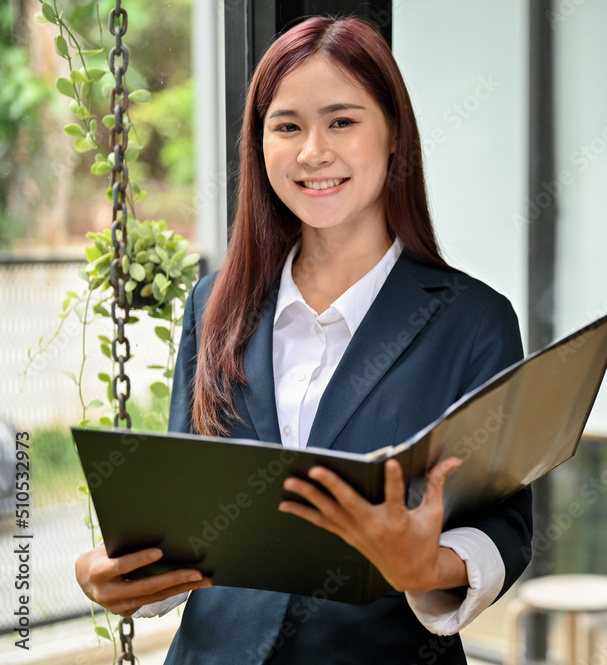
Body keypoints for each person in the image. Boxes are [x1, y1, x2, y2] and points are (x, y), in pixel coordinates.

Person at [74, 16, 532, 664]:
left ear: (394, 133)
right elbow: (182, 514)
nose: (313, 151)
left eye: (342, 121)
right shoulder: (214, 304)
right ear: (259, 144)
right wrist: (112, 573)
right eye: (287, 126)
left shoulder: (473, 320)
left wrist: (429, 562)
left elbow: (507, 526)